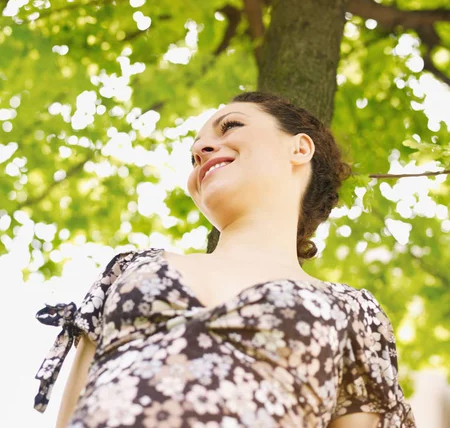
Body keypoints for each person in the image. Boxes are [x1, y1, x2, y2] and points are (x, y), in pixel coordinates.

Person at [34, 91, 417, 427]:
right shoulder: (127, 271)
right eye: (193, 152)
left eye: (230, 126)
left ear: (299, 149)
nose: (201, 150)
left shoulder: (354, 312)